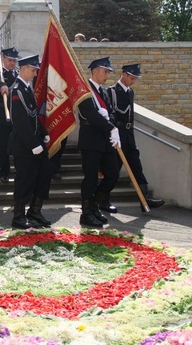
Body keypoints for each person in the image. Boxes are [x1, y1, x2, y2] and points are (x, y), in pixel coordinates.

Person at [107, 64, 164, 211]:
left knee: (136, 167)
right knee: (113, 171)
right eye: (132, 78)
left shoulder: (130, 92)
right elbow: (111, 115)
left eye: (135, 79)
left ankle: (145, 198)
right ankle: (101, 199)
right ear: (124, 75)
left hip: (129, 135)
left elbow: (130, 117)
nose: (133, 81)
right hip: (117, 135)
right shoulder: (112, 92)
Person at [9, 55, 52, 229]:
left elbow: (33, 116)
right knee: (24, 179)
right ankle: (18, 215)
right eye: (33, 70)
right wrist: (33, 144)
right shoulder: (17, 90)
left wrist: (44, 132)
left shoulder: (27, 88)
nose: (35, 73)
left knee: (44, 174)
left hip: (35, 140)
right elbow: (20, 122)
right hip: (24, 145)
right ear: (24, 69)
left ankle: (35, 211)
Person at [77, 57, 120, 228]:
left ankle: (95, 205)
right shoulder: (85, 90)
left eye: (109, 72)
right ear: (95, 71)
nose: (107, 74)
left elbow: (110, 113)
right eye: (105, 71)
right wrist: (110, 127)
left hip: (105, 138)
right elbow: (90, 114)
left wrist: (112, 128)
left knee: (113, 174)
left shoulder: (103, 92)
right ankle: (86, 212)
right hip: (91, 139)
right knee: (90, 177)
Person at [0, 47, 19, 183]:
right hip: (1, 114)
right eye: (9, 60)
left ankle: (19, 171)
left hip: (16, 115)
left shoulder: (18, 74)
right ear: (3, 60)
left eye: (14, 60)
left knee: (18, 145)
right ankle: (4, 172)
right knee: (3, 145)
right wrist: (1, 85)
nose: (12, 63)